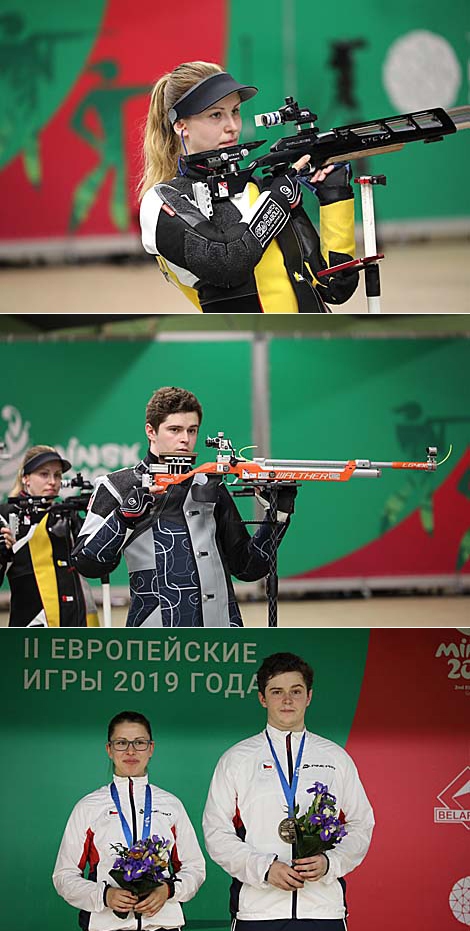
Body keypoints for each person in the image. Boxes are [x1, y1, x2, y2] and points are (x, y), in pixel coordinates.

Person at [139, 61, 359, 314]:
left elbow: (334, 287)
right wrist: (278, 198)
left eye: (235, 111)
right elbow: (226, 264)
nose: (232, 126)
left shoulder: (256, 189)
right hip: (249, 348)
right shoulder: (160, 202)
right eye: (216, 115)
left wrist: (335, 197)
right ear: (181, 125)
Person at [72, 386, 296, 628]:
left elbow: (248, 568)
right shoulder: (118, 485)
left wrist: (278, 515)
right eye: (174, 430)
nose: (185, 439)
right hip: (155, 635)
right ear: (151, 431)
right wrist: (124, 518)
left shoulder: (210, 484)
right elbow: (86, 562)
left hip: (222, 632)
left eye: (192, 430)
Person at [203, 651, 374, 930]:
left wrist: (330, 863)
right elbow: (216, 831)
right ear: (262, 698)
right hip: (258, 912)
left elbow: (361, 823)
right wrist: (264, 869)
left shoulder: (335, 758)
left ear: (309, 697)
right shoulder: (236, 759)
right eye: (276, 691)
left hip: (324, 910)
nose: (286, 700)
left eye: (296, 691)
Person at [53, 710, 205, 930]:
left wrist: (168, 890)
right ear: (109, 749)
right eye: (121, 743)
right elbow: (64, 876)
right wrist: (104, 896)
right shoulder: (89, 806)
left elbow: (195, 868)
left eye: (140, 742)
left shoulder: (170, 805)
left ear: (151, 748)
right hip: (108, 925)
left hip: (163, 925)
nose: (131, 750)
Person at [0, 445, 98, 627]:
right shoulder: (6, 515)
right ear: (25, 478)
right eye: (44, 474)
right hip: (34, 624)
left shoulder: (69, 514)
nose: (52, 482)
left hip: (80, 620)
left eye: (58, 475)